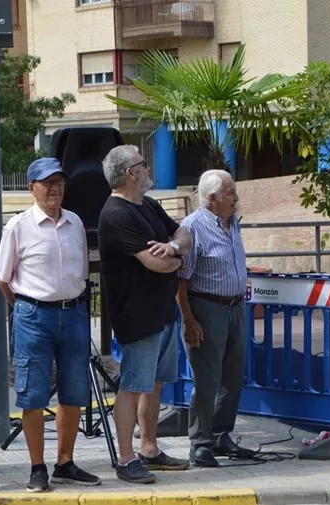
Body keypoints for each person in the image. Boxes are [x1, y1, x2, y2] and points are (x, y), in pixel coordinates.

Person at [0, 157, 101, 492]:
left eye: (59, 182)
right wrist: (27, 308)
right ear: (32, 188)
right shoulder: (17, 227)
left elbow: (82, 271)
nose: (55, 189)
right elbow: (4, 279)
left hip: (74, 313)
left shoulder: (75, 222)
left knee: (74, 391)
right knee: (32, 394)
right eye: (47, 183)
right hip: (34, 316)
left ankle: (65, 463)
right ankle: (37, 466)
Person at [98, 145, 193, 484]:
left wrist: (175, 248)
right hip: (137, 316)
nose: (148, 167)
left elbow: (184, 233)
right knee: (133, 386)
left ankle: (149, 449)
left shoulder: (148, 205)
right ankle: (125, 459)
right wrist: (178, 260)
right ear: (130, 173)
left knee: (155, 385)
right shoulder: (116, 214)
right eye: (143, 163)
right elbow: (154, 263)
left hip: (163, 312)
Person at [175, 170, 255, 467]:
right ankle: (201, 443)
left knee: (233, 376)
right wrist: (188, 318)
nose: (236, 198)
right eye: (231, 192)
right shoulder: (193, 228)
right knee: (207, 378)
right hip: (207, 307)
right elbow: (180, 279)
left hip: (235, 307)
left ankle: (222, 434)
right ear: (212, 198)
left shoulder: (232, 221)